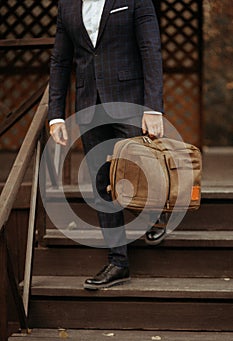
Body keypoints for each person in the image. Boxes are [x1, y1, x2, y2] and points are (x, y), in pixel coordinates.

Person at [48, 0, 167, 290]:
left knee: (141, 169)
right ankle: (118, 262)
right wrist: (55, 116)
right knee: (102, 183)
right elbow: (60, 60)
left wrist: (153, 108)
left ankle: (158, 211)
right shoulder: (67, 7)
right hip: (90, 104)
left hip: (130, 100)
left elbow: (150, 49)